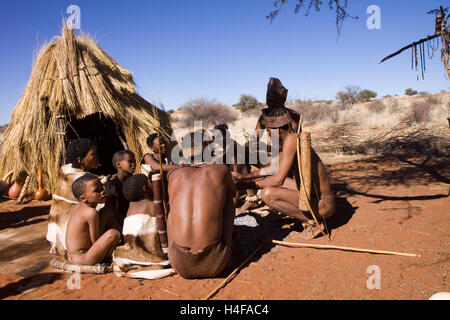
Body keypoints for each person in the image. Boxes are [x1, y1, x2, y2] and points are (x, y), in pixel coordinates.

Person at [234, 107, 335, 239]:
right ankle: (299, 213)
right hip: (312, 195)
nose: (268, 134)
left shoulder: (291, 141)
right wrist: (244, 177)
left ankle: (313, 222)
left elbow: (278, 180)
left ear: (276, 129)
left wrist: (241, 186)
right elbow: (272, 168)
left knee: (268, 194)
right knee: (269, 180)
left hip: (323, 204)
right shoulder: (289, 139)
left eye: (268, 130)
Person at [166, 131, 237, 278]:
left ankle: (170, 249)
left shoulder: (173, 175)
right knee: (229, 199)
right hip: (215, 262)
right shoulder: (221, 170)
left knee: (172, 207)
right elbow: (234, 193)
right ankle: (227, 247)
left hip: (178, 263)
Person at [65, 174, 121, 265]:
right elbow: (95, 242)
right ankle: (112, 253)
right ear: (83, 198)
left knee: (107, 213)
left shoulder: (79, 206)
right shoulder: (90, 213)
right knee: (113, 234)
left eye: (102, 188)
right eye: (97, 191)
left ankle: (122, 241)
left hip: (81, 254)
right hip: (83, 258)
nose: (103, 192)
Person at [108, 150, 136, 226]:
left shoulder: (136, 181)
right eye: (130, 161)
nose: (134, 164)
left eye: (134, 161)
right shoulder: (112, 184)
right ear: (119, 165)